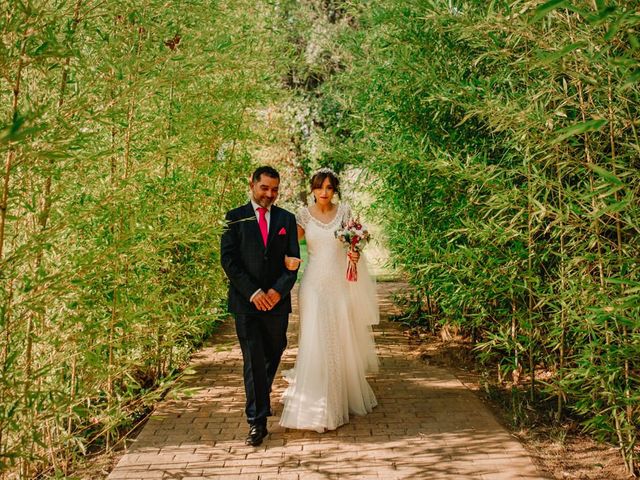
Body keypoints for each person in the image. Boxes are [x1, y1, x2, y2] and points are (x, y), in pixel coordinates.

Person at [279, 167, 379, 433]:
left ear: (335, 190)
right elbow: (287, 245)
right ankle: (317, 401)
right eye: (319, 187)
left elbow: (352, 246)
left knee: (338, 337)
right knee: (316, 338)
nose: (324, 192)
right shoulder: (303, 216)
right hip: (313, 284)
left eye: (329, 187)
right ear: (312, 189)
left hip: (339, 283)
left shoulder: (344, 213)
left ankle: (339, 395)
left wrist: (355, 255)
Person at [220, 166, 301, 446]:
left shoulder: (286, 219)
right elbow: (229, 261)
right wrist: (254, 292)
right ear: (252, 184)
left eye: (275, 189)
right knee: (253, 359)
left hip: (277, 303)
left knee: (276, 348)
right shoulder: (234, 218)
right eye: (265, 188)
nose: (270, 194)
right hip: (246, 302)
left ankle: (260, 396)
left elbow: (293, 261)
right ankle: (257, 422)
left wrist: (277, 292)